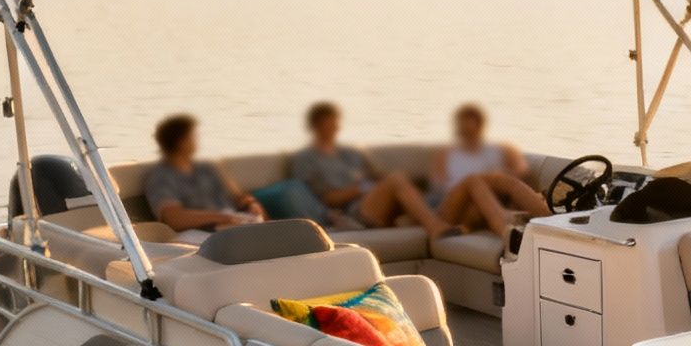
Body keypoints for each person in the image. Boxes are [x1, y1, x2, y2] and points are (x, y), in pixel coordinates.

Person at [288, 101, 458, 237]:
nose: (333, 128)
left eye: (335, 123)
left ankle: (447, 221)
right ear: (316, 126)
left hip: (374, 201)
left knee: (400, 181)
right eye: (328, 124)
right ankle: (435, 226)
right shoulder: (306, 159)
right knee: (396, 180)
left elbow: (375, 175)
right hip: (351, 214)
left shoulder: (350, 153)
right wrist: (361, 189)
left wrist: (380, 182)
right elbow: (326, 200)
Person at [430, 103, 550, 243]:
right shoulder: (446, 154)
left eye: (472, 126)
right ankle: (507, 231)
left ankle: (552, 222)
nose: (468, 132)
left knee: (501, 183)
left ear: (480, 126)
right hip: (452, 210)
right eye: (464, 127)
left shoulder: (498, 149)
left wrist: (492, 181)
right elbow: (440, 188)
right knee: (473, 181)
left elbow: (521, 171)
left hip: (487, 204)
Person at [141, 114, 264, 244]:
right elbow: (174, 218)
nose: (197, 141)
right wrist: (222, 217)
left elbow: (239, 196)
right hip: (197, 232)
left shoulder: (208, 166)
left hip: (231, 222)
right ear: (180, 142)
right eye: (193, 136)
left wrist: (251, 204)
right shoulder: (160, 176)